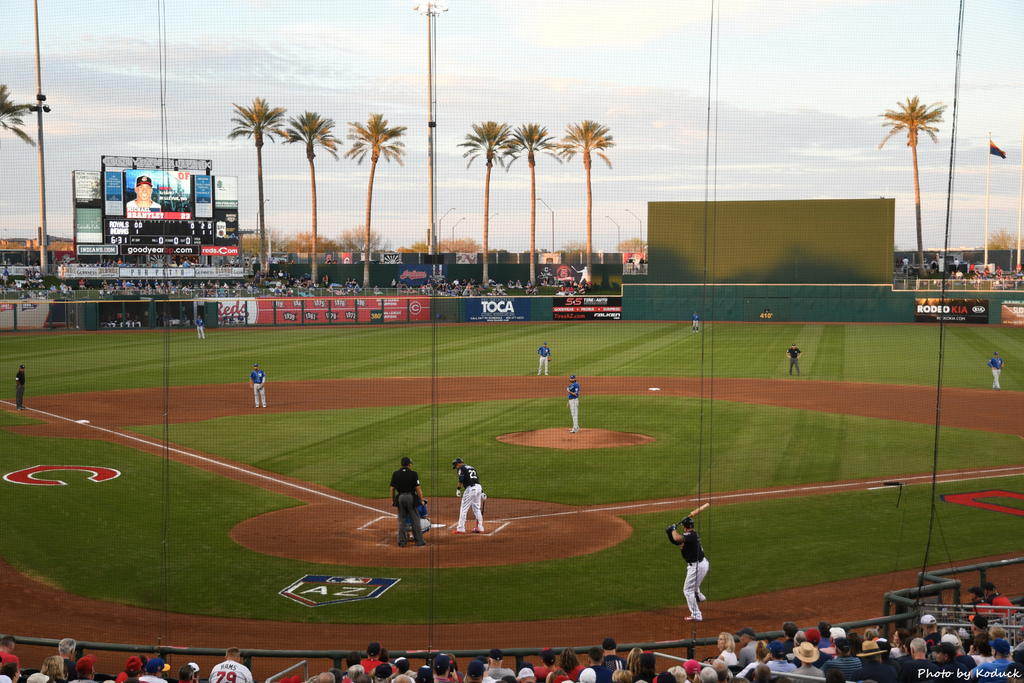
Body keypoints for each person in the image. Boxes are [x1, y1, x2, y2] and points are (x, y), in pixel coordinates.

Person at [667, 516, 708, 621]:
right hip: (700, 564)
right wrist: (669, 533)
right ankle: (699, 597)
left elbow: (677, 538)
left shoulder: (690, 535)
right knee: (693, 585)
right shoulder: (691, 535)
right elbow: (676, 541)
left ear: (684, 527)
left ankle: (696, 615)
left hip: (696, 566)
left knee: (688, 590)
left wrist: (673, 529)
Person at [390, 457, 426, 547]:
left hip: (400, 498)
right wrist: (421, 500)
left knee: (402, 521)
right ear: (409, 465)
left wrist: (393, 500)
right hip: (411, 498)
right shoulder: (413, 474)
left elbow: (392, 489)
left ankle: (401, 542)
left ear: (401, 464)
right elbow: (418, 488)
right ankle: (419, 541)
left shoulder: (396, 474)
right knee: (415, 520)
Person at [451, 458, 484, 534]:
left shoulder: (461, 468)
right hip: (478, 488)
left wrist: (458, 489)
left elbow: (461, 478)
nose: (456, 467)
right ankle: (480, 528)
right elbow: (476, 479)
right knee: (477, 508)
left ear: (458, 464)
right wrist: (482, 492)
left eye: (455, 466)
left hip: (471, 490)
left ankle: (460, 528)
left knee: (463, 509)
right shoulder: (472, 467)